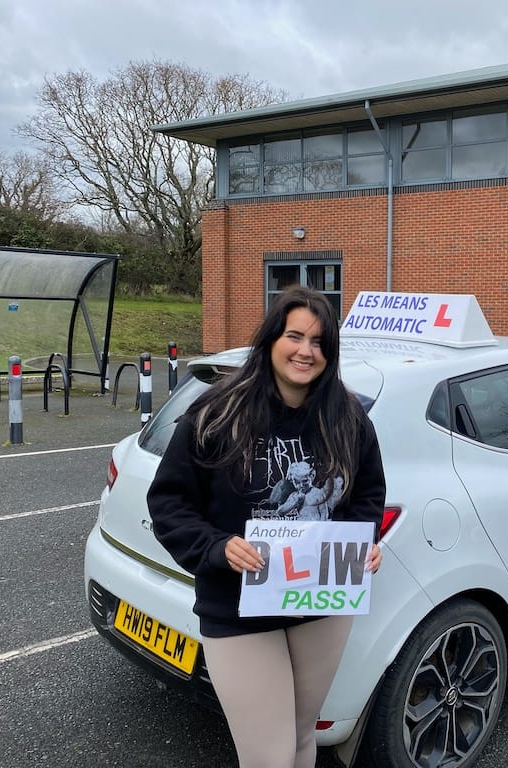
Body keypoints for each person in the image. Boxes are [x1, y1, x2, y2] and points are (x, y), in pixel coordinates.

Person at [147, 285, 385, 768]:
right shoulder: (217, 413)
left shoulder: (348, 417)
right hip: (236, 608)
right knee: (269, 758)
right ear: (272, 338)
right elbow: (169, 503)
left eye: (318, 342)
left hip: (319, 603)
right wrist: (217, 547)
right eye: (294, 336)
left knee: (301, 739)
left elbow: (367, 495)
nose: (305, 351)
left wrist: (363, 541)